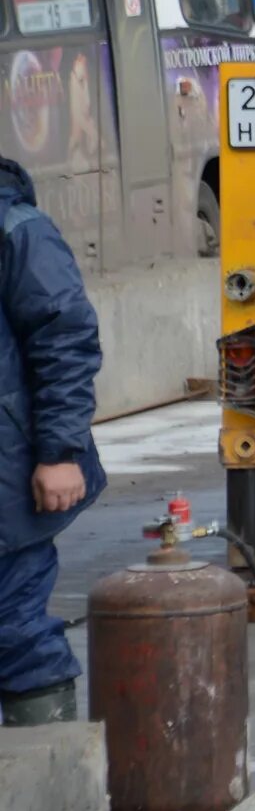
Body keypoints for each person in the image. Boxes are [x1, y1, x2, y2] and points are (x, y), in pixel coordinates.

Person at [1, 156, 104, 725]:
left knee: (13, 632)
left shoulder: (16, 231)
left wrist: (59, 453)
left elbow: (65, 340)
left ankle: (47, 803)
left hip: (8, 477)